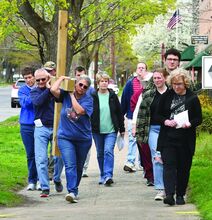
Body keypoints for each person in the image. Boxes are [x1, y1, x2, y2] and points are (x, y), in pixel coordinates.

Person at [156, 68, 202, 206]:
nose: (177, 87)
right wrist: (166, 121)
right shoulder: (167, 96)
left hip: (185, 139)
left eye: (180, 84)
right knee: (169, 166)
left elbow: (198, 118)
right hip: (168, 138)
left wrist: (190, 123)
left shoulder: (192, 98)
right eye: (174, 84)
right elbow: (157, 115)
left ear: (185, 83)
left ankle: (180, 194)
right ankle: (169, 194)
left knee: (183, 168)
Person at [50, 74, 93, 203]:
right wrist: (62, 79)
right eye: (80, 85)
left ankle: (74, 188)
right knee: (70, 164)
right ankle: (72, 191)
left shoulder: (88, 100)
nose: (82, 88)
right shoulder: (65, 94)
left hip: (83, 139)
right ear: (75, 84)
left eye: (85, 87)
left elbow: (79, 111)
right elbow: (53, 89)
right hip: (65, 137)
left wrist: (71, 96)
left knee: (79, 167)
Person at [135, 68, 168, 200]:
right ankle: (160, 189)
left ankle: (170, 186)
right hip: (153, 129)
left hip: (168, 129)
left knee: (169, 157)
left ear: (165, 78)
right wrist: (139, 133)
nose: (157, 80)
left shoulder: (171, 93)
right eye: (155, 78)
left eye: (159, 77)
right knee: (157, 156)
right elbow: (141, 115)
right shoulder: (148, 94)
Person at [30, 68, 64, 197]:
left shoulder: (55, 90)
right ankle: (45, 187)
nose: (40, 82)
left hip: (56, 127)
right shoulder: (34, 92)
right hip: (41, 128)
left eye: (43, 79)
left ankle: (56, 178)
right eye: (37, 80)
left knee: (59, 157)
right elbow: (37, 102)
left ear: (48, 78)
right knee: (41, 159)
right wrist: (49, 90)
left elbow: (61, 99)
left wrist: (52, 89)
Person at [91, 73, 125, 185]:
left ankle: (108, 175)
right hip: (97, 130)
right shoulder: (93, 96)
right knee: (100, 153)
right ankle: (102, 174)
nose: (104, 83)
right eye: (102, 81)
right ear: (98, 83)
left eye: (106, 81)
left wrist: (122, 128)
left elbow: (119, 113)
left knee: (108, 151)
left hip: (111, 129)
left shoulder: (112, 96)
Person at [121, 62, 152, 172]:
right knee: (133, 139)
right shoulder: (130, 83)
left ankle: (142, 163)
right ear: (136, 70)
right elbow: (125, 99)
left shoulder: (150, 83)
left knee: (144, 141)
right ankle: (130, 162)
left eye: (143, 68)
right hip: (131, 116)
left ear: (146, 70)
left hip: (145, 117)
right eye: (139, 68)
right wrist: (122, 115)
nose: (141, 70)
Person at [18, 67, 40, 191]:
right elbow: (26, 104)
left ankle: (42, 179)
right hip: (26, 125)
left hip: (39, 125)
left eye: (30, 77)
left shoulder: (40, 88)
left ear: (34, 77)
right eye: (26, 78)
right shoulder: (22, 90)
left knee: (40, 154)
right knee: (30, 154)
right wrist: (35, 92)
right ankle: (32, 180)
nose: (28, 80)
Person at [74, 66, 95, 177]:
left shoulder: (90, 91)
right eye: (78, 75)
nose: (82, 87)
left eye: (82, 75)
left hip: (85, 122)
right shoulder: (71, 89)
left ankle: (84, 168)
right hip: (71, 123)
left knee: (85, 147)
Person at [43, 61, 57, 180]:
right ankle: (44, 171)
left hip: (55, 121)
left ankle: (51, 171)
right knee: (42, 152)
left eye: (50, 71)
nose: (48, 74)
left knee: (54, 150)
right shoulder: (41, 84)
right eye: (46, 71)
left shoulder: (57, 83)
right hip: (43, 122)